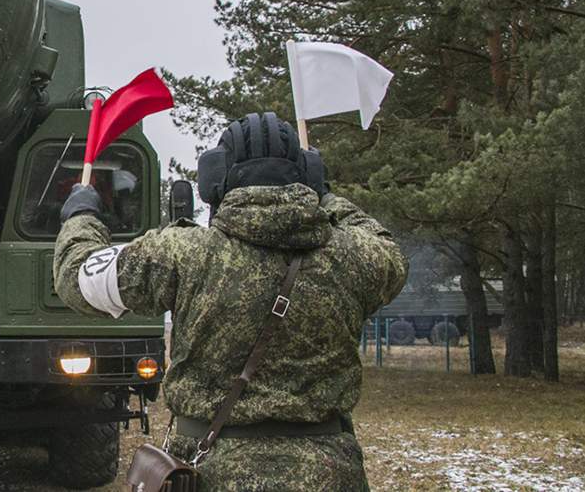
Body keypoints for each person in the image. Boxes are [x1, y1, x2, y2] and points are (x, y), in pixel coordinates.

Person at [53, 112, 407, 491]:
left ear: (213, 179)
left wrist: (82, 214)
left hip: (210, 472)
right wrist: (325, 195)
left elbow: (79, 275)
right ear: (306, 173)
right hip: (330, 474)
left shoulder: (182, 253)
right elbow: (384, 245)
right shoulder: (355, 257)